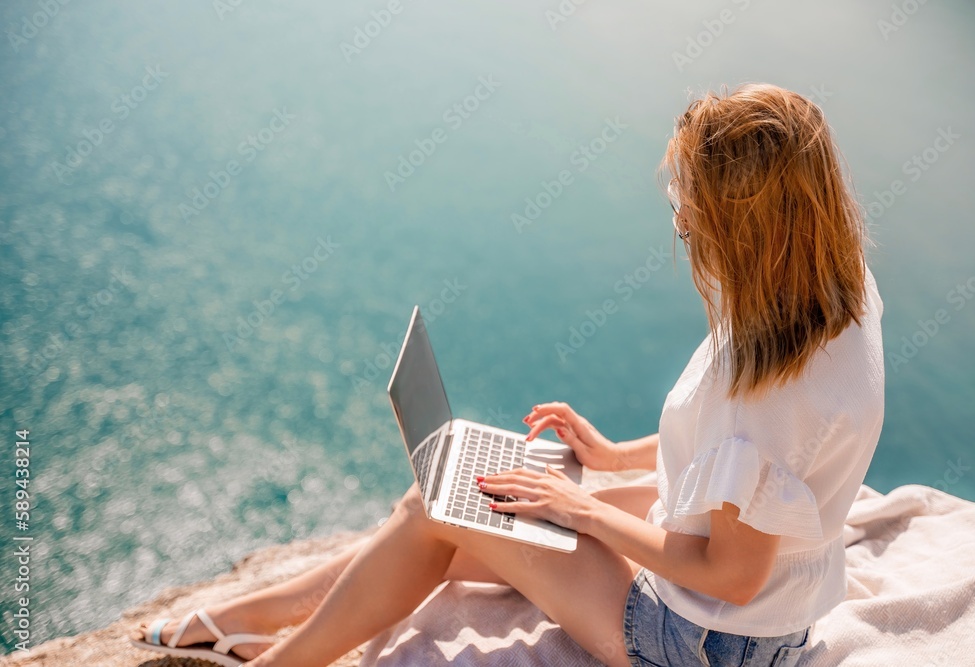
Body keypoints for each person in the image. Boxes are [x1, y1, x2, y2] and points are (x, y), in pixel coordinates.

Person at [130, 82, 884, 667]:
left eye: (691, 207)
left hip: (701, 640)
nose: (680, 221)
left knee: (440, 507)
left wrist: (580, 507)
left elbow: (732, 574)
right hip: (745, 619)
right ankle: (258, 614)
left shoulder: (764, 382)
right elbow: (752, 472)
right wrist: (612, 460)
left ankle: (272, 647)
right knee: (454, 510)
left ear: (743, 227)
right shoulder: (836, 304)